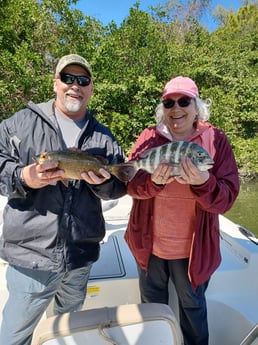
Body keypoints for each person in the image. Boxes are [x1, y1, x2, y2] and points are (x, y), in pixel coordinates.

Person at [0, 54, 126, 345]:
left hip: (80, 258)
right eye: (67, 78)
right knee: (14, 337)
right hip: (31, 257)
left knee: (66, 335)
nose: (75, 86)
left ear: (91, 89)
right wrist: (24, 177)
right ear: (55, 83)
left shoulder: (103, 138)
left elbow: (120, 185)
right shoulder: (21, 123)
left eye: (83, 81)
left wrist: (105, 184)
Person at [124, 76, 239, 345]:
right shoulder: (148, 138)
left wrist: (203, 183)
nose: (176, 109)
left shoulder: (216, 140)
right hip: (148, 246)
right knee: (152, 313)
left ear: (196, 106)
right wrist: (153, 183)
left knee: (193, 312)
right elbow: (130, 184)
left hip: (194, 252)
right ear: (163, 108)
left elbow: (226, 199)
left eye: (184, 101)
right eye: (169, 102)